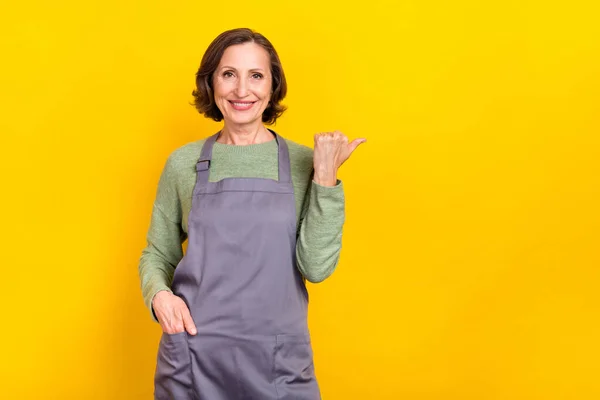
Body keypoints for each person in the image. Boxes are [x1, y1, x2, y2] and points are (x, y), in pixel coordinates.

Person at [138, 27, 365, 400]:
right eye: (229, 74)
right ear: (211, 84)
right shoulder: (183, 164)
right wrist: (159, 296)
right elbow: (158, 254)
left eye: (256, 76)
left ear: (273, 86)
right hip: (196, 356)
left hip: (279, 363)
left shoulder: (304, 163)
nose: (242, 91)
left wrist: (325, 178)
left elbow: (316, 268)